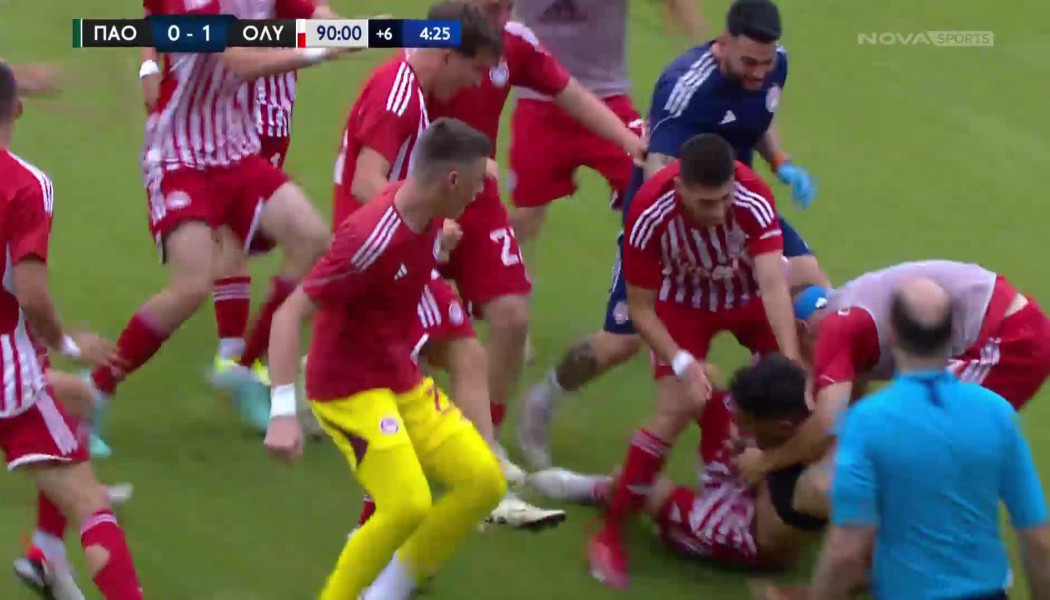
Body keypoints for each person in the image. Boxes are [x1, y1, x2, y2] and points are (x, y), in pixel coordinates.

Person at [519, 0, 827, 469]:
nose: (759, 72)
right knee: (620, 342)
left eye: (766, 63)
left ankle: (787, 422)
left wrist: (780, 161)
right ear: (723, 44)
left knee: (813, 289)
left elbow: (758, 115)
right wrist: (680, 248)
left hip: (737, 206)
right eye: (749, 62)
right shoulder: (684, 89)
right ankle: (546, 397)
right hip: (670, 221)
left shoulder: (770, 65)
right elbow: (660, 170)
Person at [88, 0, 350, 452]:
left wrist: (355, 31)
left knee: (310, 238)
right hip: (179, 156)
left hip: (237, 152)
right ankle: (95, 391)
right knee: (192, 285)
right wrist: (317, 50)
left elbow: (316, 15)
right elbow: (238, 60)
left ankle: (244, 370)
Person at [265, 118, 506, 600]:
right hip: (346, 388)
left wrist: (439, 243)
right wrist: (283, 414)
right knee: (406, 503)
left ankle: (386, 592)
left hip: (398, 376)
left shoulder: (430, 213)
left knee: (484, 483)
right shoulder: (368, 238)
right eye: (477, 182)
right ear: (451, 180)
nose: (482, 193)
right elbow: (289, 315)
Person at [422, 0, 649, 446]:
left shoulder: (515, 42)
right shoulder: (428, 39)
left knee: (511, 318)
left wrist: (629, 141)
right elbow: (348, 36)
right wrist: (291, 35)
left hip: (474, 195)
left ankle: (483, 442)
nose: (504, 18)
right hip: (415, 195)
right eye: (494, 8)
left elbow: (572, 93)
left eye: (510, 7)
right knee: (405, 333)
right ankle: (330, 384)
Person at [586, 132, 800, 588]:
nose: (719, 211)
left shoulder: (753, 197)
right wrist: (682, 362)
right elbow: (642, 309)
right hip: (683, 303)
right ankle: (609, 532)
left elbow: (772, 283)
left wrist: (790, 361)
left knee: (789, 397)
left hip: (745, 296)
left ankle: (760, 491)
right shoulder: (649, 210)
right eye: (706, 203)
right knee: (679, 405)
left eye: (724, 199)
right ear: (679, 186)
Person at [0, 61, 146, 600]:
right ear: (18, 109)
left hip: (16, 370)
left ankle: (45, 554)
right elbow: (32, 294)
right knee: (93, 507)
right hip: (8, 378)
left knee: (79, 399)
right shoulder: (26, 185)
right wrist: (65, 343)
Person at [810, 278, 1050, 600]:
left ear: (893, 333)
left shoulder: (866, 421)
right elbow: (1037, 537)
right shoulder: (997, 414)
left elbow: (846, 551)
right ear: (954, 333)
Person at [738, 259, 1050, 499]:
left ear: (802, 328)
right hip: (1010, 328)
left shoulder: (835, 329)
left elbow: (827, 421)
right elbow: (846, 410)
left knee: (910, 452)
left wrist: (766, 462)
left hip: (1011, 340)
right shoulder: (846, 308)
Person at [530, 355, 826, 582]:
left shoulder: (805, 483)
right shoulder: (810, 411)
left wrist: (763, 465)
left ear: (783, 426)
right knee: (699, 391)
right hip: (758, 458)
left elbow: (771, 543)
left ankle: (599, 489)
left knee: (647, 487)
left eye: (746, 423)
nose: (738, 426)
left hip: (742, 533)